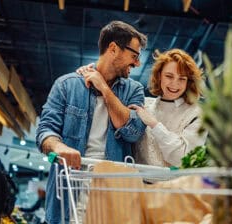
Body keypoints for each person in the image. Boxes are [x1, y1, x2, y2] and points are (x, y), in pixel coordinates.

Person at [36, 20, 147, 224]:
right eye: (134, 56)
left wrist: (104, 88)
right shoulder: (66, 86)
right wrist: (59, 147)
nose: (137, 63)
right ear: (113, 48)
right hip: (69, 185)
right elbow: (45, 131)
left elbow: (133, 131)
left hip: (112, 188)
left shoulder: (134, 90)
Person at [130, 49, 208, 167]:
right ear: (159, 75)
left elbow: (184, 160)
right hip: (137, 182)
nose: (174, 84)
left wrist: (154, 124)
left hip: (175, 184)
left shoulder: (197, 114)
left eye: (182, 78)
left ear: (189, 82)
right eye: (169, 76)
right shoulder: (143, 105)